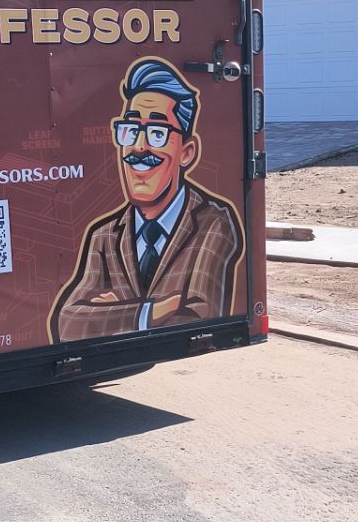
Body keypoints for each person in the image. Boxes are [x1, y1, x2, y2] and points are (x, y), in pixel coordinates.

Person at [51, 58, 243, 342]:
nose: (139, 147)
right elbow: (68, 324)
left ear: (187, 152)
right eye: (130, 130)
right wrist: (158, 308)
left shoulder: (213, 222)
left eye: (156, 133)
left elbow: (200, 316)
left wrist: (110, 312)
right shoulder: (103, 236)